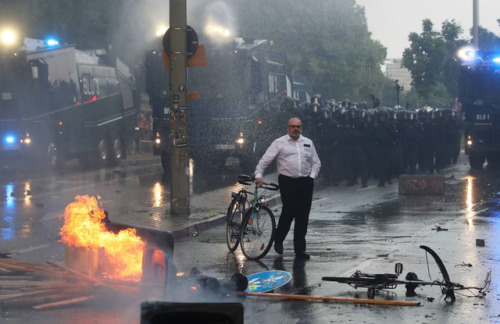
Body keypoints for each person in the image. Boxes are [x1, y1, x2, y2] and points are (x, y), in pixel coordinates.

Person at [254, 117, 321, 260]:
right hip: (287, 181)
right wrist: (259, 174)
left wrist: (312, 177)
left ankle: (300, 250)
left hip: (305, 182)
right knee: (289, 211)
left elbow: (316, 163)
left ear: (301, 128)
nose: (295, 129)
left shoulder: (308, 142)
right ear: (288, 128)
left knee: (303, 216)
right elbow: (265, 159)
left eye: (298, 126)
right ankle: (278, 238)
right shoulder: (279, 142)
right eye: (293, 126)